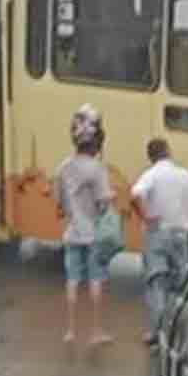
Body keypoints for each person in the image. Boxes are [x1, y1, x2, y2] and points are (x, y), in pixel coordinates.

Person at [131, 139, 188, 346]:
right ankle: (184, 330)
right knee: (183, 283)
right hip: (181, 233)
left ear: (151, 156)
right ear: (168, 152)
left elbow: (135, 195)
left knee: (157, 282)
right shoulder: (186, 176)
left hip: (157, 233)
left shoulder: (151, 174)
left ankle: (157, 332)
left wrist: (145, 217)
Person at [53, 105, 115, 345]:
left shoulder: (63, 167)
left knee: (72, 280)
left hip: (72, 233)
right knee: (96, 280)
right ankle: (95, 331)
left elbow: (59, 201)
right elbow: (102, 203)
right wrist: (110, 200)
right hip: (93, 234)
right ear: (97, 140)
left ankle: (70, 331)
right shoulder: (97, 169)